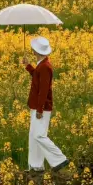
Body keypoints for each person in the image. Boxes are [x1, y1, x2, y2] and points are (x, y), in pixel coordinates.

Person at [22, 35, 68, 172]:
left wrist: (40, 110)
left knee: (39, 135)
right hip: (36, 106)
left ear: (37, 52)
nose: (32, 51)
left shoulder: (46, 67)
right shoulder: (41, 65)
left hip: (41, 107)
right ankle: (36, 166)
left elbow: (43, 90)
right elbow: (37, 76)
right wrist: (28, 66)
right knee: (33, 135)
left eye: (34, 50)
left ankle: (59, 159)